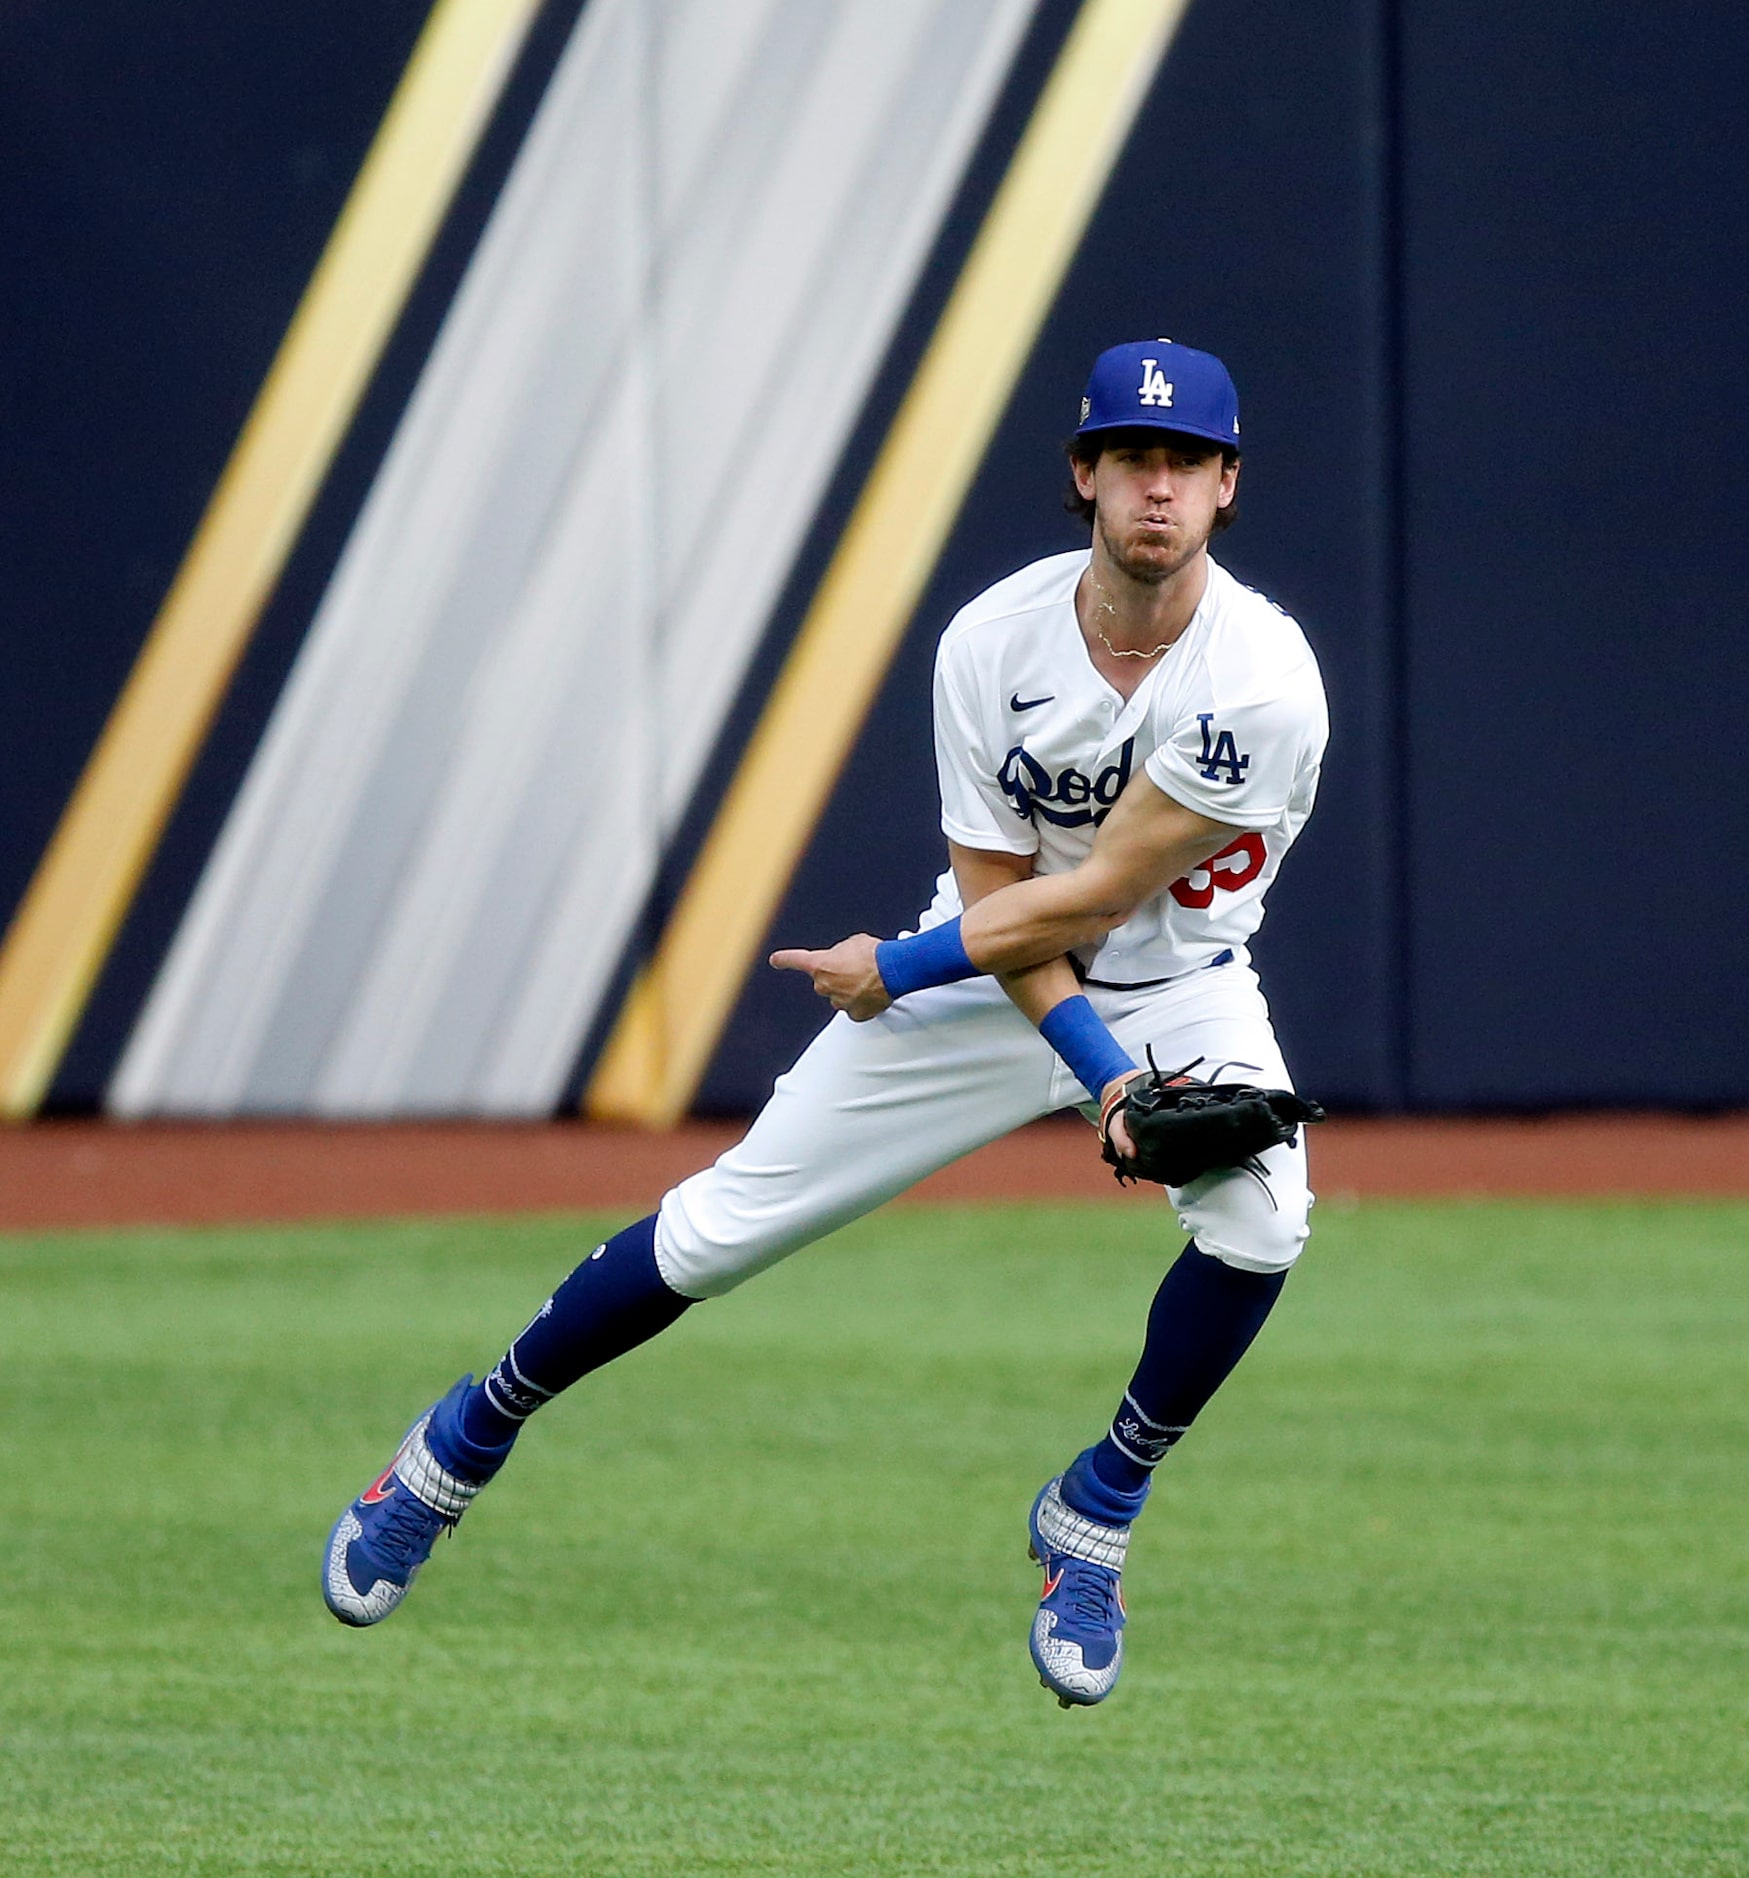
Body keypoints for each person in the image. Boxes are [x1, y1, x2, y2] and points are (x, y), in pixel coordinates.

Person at [322, 340, 1328, 1709]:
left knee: (1263, 1219)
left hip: (1177, 979)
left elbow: (1099, 891)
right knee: (720, 1227)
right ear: (1084, 475)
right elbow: (1012, 909)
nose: (1159, 486)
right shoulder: (991, 642)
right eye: (1132, 457)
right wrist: (1094, 1076)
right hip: (995, 966)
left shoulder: (1261, 676)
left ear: (1226, 488)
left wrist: (899, 969)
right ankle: (464, 1433)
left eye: (1187, 463)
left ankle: (1096, 1505)